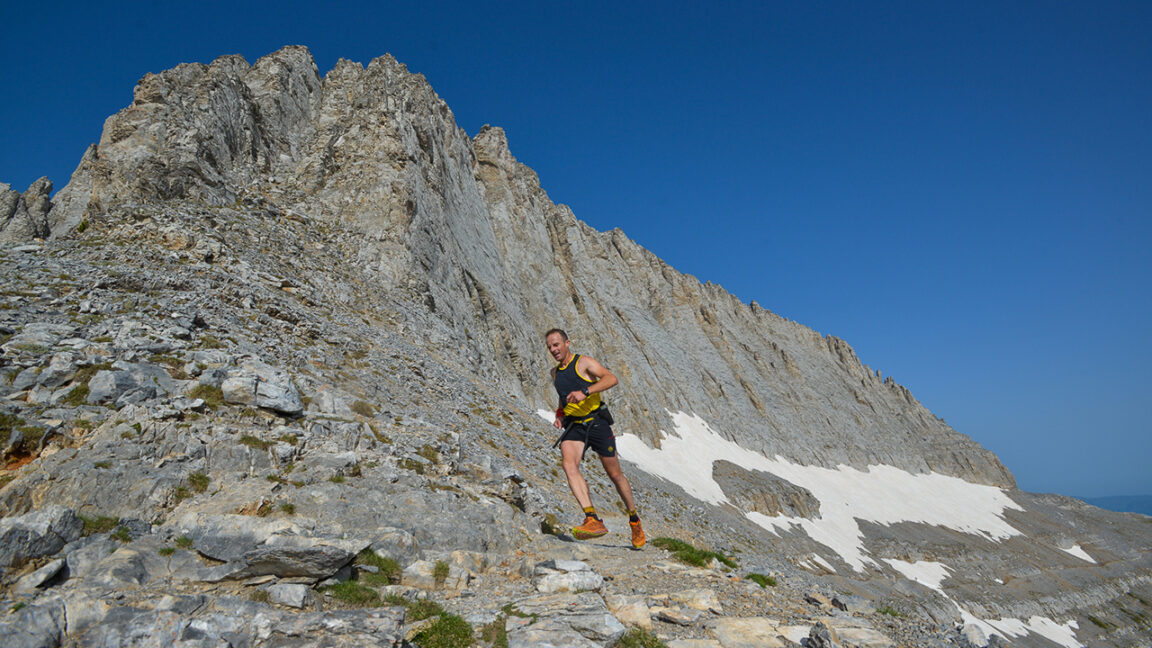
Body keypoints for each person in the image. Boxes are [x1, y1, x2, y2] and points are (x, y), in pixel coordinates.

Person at [545, 328, 645, 548]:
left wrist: (586, 392)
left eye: (556, 344)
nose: (553, 350)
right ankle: (592, 519)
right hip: (575, 425)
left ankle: (634, 520)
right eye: (550, 347)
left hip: (597, 421)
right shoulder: (554, 373)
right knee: (568, 464)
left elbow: (611, 378)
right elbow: (563, 396)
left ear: (567, 343)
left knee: (615, 474)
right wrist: (560, 414)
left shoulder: (584, 363)